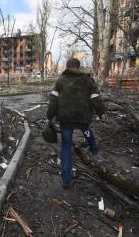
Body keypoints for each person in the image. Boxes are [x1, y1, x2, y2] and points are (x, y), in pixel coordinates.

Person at [46, 58, 106, 189]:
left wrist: (50, 116)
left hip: (66, 120)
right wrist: (101, 113)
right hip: (83, 118)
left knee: (66, 146)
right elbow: (96, 99)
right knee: (87, 131)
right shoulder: (88, 81)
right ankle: (94, 148)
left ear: (67, 67)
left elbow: (53, 101)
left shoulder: (60, 81)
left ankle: (66, 179)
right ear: (79, 67)